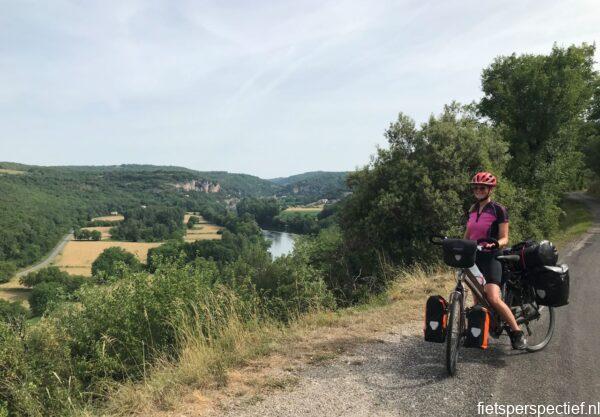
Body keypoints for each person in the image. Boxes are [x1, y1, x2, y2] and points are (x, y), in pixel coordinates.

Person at [464, 172, 527, 350]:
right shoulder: (472, 209)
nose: (478, 190)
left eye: (482, 187)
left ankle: (516, 333)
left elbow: (505, 238)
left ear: (490, 189)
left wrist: (495, 244)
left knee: (492, 296)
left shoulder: (498, 209)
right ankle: (478, 333)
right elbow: (468, 236)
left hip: (492, 257)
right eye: (475, 187)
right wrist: (461, 246)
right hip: (475, 258)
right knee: (477, 297)